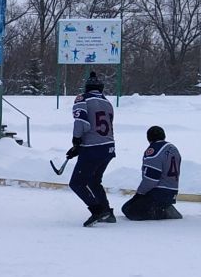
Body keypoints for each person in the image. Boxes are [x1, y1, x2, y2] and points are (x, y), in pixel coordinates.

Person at [66, 71, 116, 226]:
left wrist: (76, 141)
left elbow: (81, 121)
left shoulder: (82, 98)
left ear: (87, 88)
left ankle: (97, 210)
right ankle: (107, 212)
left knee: (76, 183)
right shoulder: (108, 102)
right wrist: (79, 147)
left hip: (93, 148)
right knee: (94, 181)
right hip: (108, 148)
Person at [122, 125, 183, 221]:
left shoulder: (154, 150)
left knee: (128, 209)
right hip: (172, 191)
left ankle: (161, 212)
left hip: (159, 192)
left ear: (148, 138)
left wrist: (139, 194)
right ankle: (164, 206)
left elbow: (151, 179)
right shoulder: (173, 148)